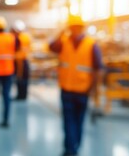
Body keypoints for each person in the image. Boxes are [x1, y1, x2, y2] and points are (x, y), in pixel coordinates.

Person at [49, 15, 103, 156]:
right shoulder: (64, 42)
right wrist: (61, 33)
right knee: (69, 120)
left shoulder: (91, 44)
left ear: (81, 28)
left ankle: (72, 148)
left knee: (77, 121)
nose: (75, 30)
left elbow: (98, 69)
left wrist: (94, 89)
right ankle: (71, 149)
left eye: (76, 27)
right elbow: (51, 47)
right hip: (67, 88)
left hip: (82, 90)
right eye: (72, 28)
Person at [12, 20, 31, 100]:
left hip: (20, 61)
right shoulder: (26, 37)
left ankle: (21, 95)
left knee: (21, 79)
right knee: (23, 79)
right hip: (23, 60)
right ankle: (23, 95)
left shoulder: (18, 37)